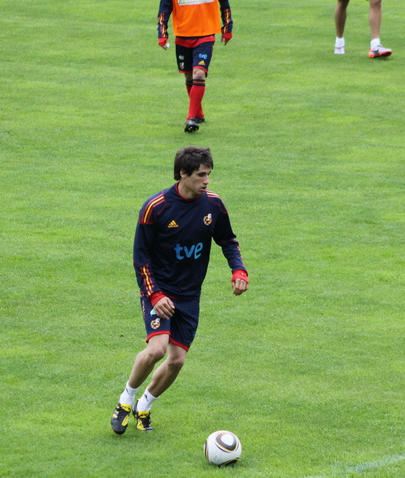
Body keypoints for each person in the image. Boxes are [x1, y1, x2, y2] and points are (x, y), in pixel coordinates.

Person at [111, 146, 249, 434]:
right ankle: (125, 401)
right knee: (157, 350)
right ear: (183, 174)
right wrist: (155, 295)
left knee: (177, 360)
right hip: (159, 291)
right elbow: (141, 258)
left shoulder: (214, 205)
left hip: (189, 295)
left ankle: (144, 406)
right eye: (201, 175)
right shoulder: (156, 207)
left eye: (208, 174)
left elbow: (228, 241)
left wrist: (238, 270)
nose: (206, 180)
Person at [157, 0, 234, 133]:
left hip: (206, 35)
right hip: (182, 36)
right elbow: (163, 11)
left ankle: (191, 118)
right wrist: (162, 35)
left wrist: (227, 28)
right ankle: (199, 114)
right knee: (189, 76)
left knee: (199, 74)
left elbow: (225, 5)